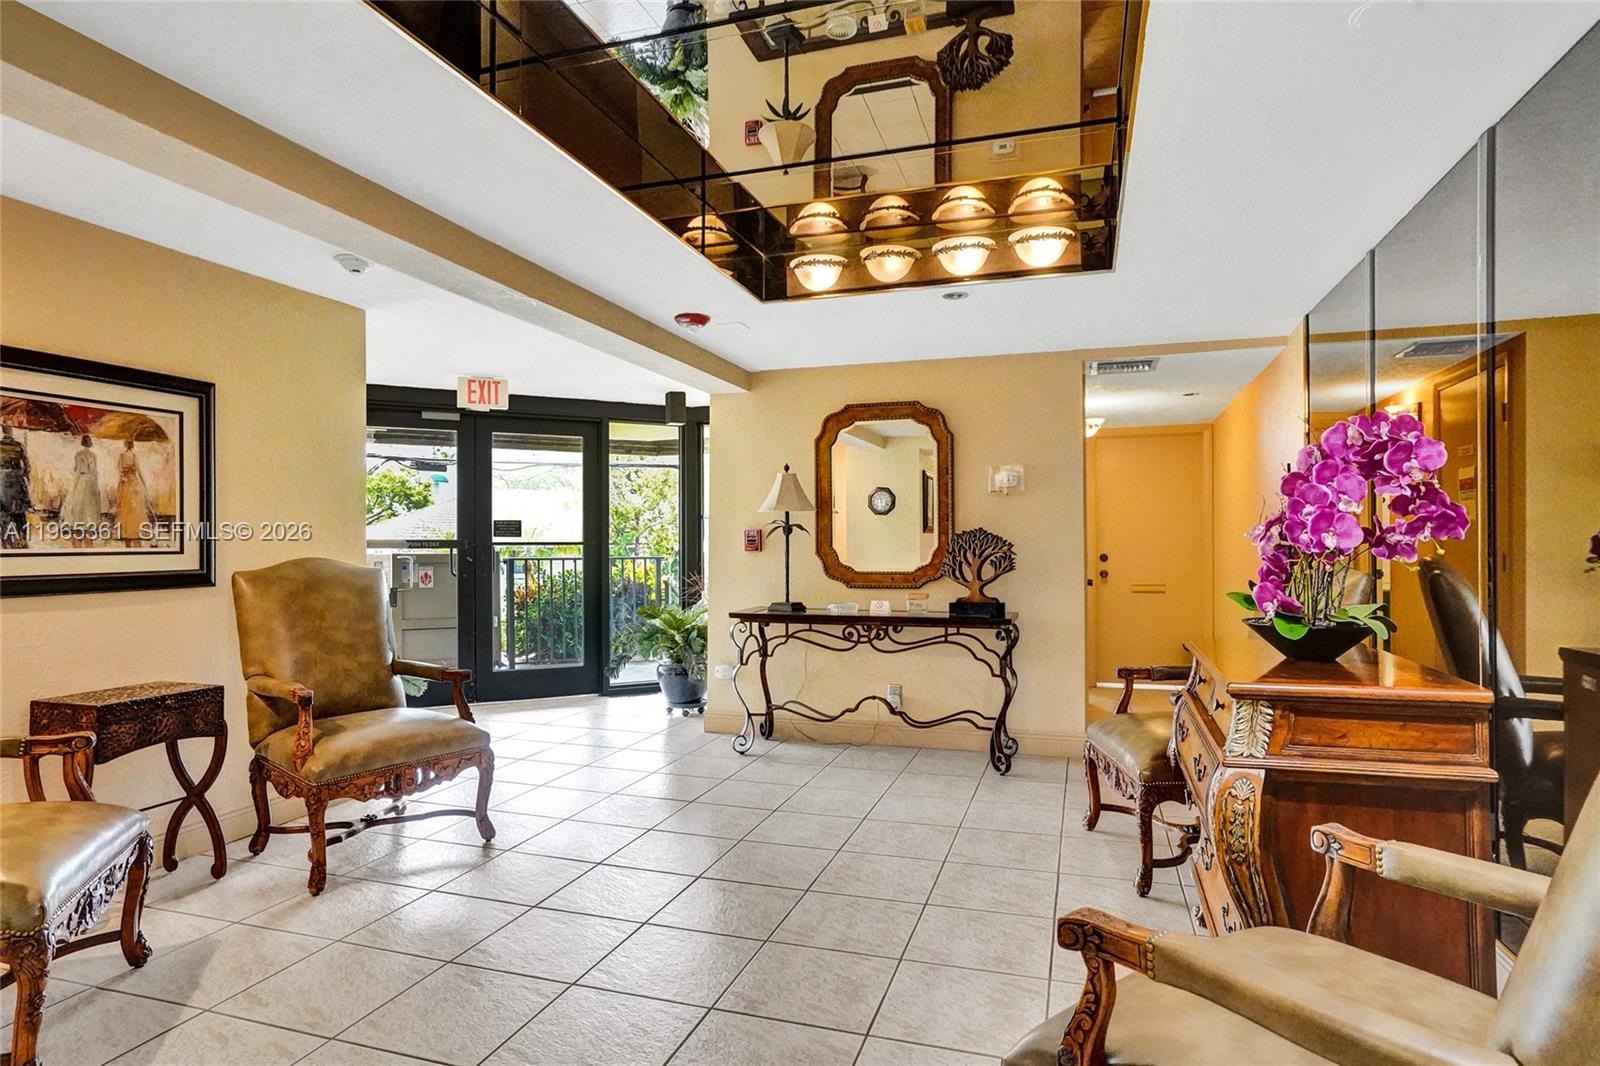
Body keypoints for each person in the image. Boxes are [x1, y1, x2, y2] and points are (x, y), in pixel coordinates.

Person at [58, 433, 102, 546]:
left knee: (78, 505)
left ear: (82, 442)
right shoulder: (93, 455)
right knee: (89, 506)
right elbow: (95, 472)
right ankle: (87, 527)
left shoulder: (79, 454)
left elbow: (77, 470)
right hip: (91, 481)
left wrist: (74, 486)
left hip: (82, 480)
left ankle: (79, 527)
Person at [115, 439, 152, 547]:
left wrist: (123, 477)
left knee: (126, 508)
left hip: (125, 483)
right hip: (133, 482)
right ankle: (134, 531)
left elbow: (119, 470)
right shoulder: (135, 456)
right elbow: (139, 471)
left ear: (125, 444)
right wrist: (144, 484)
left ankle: (127, 532)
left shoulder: (121, 456)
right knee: (134, 508)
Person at [0, 425, 31, 548]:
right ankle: (23, 540)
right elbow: (27, 465)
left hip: (2, 481)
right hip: (17, 480)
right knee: (20, 513)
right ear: (11, 432)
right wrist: (25, 476)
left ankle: (7, 542)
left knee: (4, 513)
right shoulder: (18, 446)